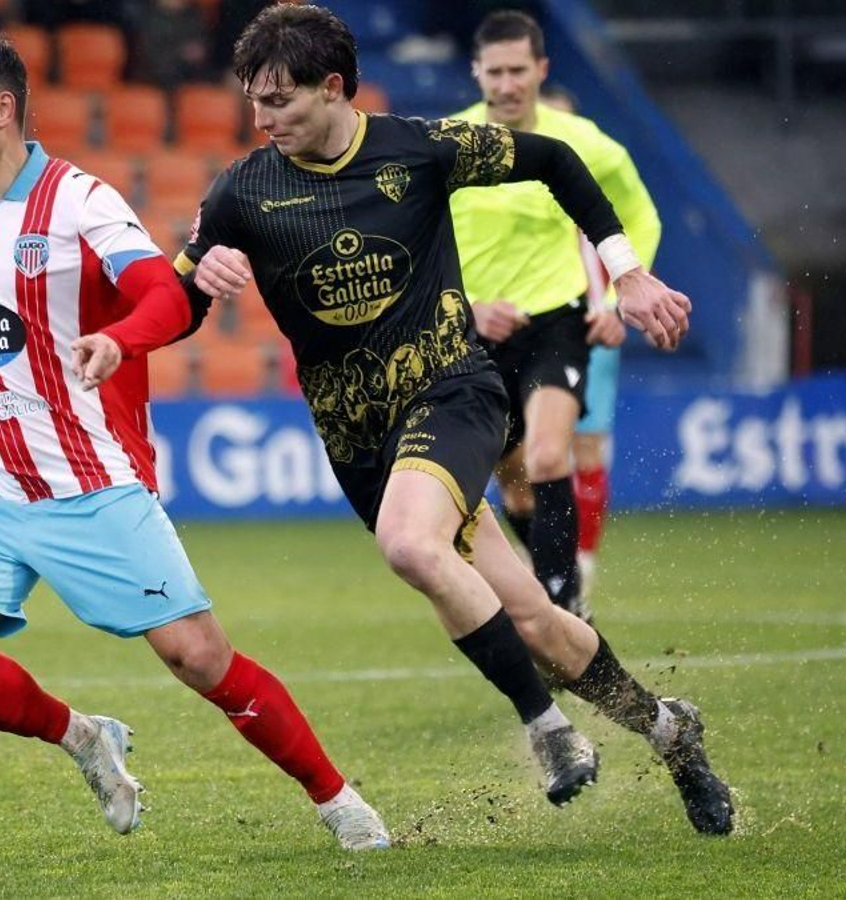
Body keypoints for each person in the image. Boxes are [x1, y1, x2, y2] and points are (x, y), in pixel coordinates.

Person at [179, 5, 731, 833]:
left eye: (282, 100)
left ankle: (548, 729)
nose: (265, 119)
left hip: (453, 392)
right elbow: (178, 302)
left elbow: (553, 157)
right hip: (360, 442)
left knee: (411, 544)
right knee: (539, 623)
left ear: (334, 88)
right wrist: (191, 283)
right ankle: (669, 730)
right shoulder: (243, 190)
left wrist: (627, 272)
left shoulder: (416, 148)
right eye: (254, 101)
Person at [0, 31, 388, 851]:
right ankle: (83, 737)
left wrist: (123, 341)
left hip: (92, 483)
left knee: (198, 659)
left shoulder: (80, 201)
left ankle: (337, 801)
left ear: (2, 111)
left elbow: (159, 292)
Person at [451, 12, 661, 619]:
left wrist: (622, 296)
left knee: (548, 456)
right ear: (477, 73)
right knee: (514, 480)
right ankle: (562, 592)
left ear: (541, 69)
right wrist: (468, 307)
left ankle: (562, 603)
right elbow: (422, 241)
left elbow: (641, 217)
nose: (508, 83)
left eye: (519, 70)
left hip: (556, 320)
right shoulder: (450, 144)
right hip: (476, 333)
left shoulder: (585, 142)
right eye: (496, 72)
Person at [541, 82, 624, 601]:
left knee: (586, 447)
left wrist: (613, 306)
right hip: (527, 331)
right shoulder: (508, 193)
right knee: (528, 455)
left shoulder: (593, 193)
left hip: (590, 329)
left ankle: (582, 562)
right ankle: (543, 554)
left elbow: (628, 249)